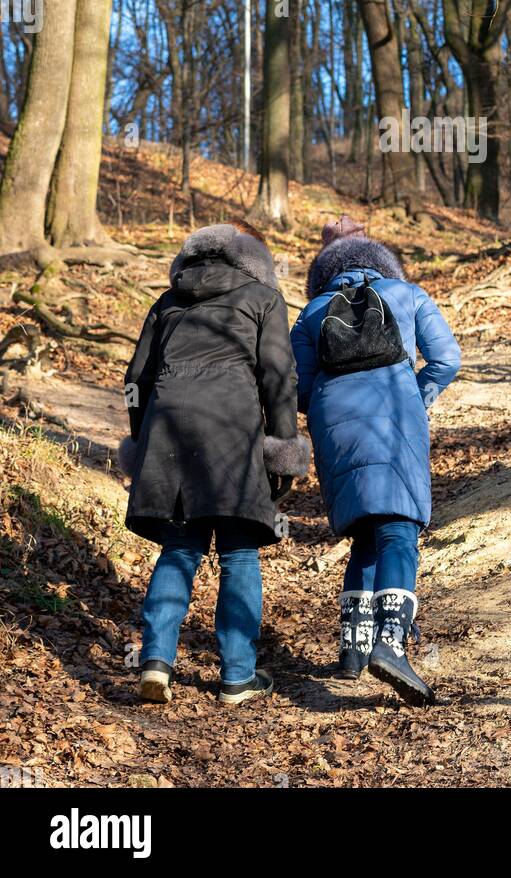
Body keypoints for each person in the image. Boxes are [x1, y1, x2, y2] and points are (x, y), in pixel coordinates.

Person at [119, 220, 309, 706]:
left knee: (180, 549)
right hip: (231, 435)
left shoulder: (168, 301)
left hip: (168, 432)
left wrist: (143, 437)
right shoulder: (263, 299)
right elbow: (279, 378)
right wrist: (282, 447)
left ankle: (156, 663)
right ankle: (237, 677)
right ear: (252, 257)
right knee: (238, 553)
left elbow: (134, 379)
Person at [291, 215, 460, 705]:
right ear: (386, 265)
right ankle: (391, 644)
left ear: (325, 274)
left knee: (364, 531)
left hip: (336, 428)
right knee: (399, 532)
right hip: (395, 417)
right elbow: (448, 358)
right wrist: (419, 396)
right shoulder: (408, 296)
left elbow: (297, 388)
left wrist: (328, 409)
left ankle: (352, 648)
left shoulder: (311, 313)